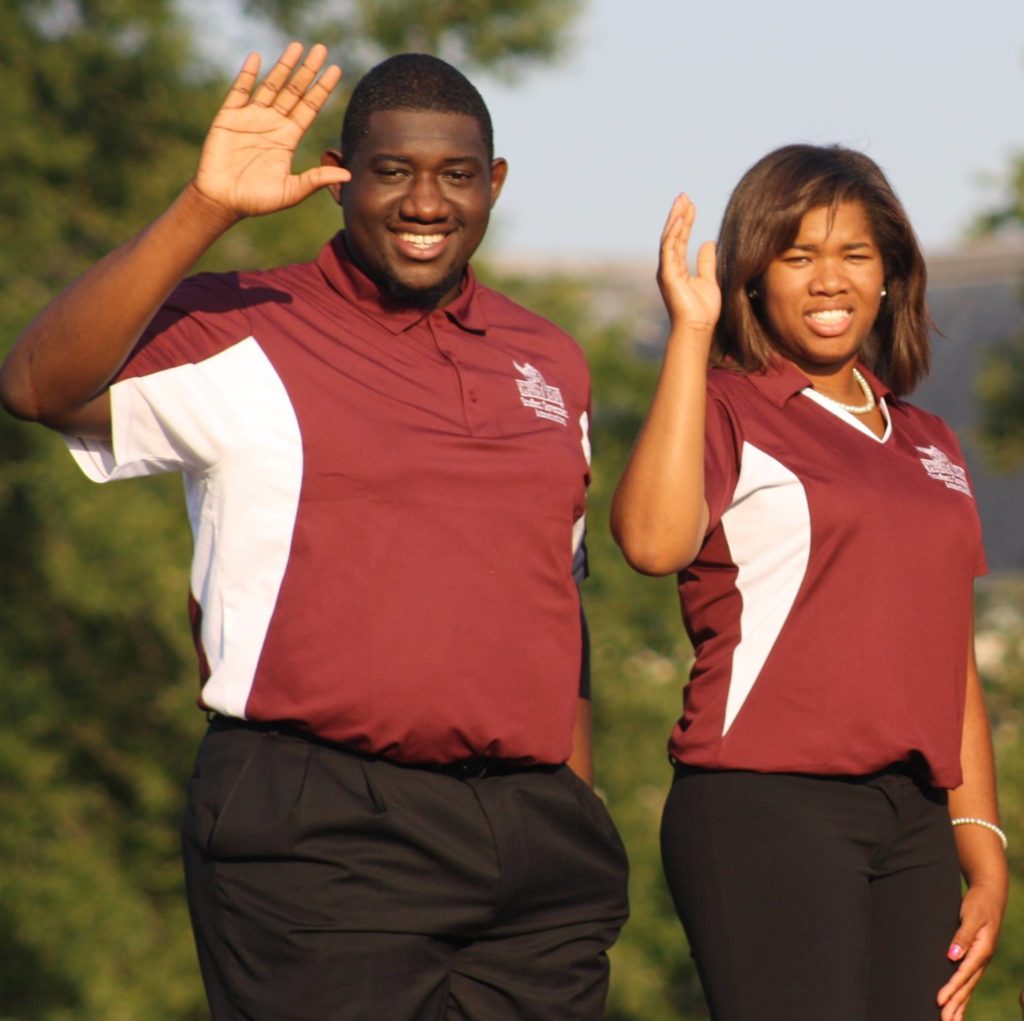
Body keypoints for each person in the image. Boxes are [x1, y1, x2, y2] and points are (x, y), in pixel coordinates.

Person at [0, 43, 628, 1020]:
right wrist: (204, 208)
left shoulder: (549, 359)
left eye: (456, 175)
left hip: (532, 842)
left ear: (493, 183)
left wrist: (576, 803)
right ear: (338, 178)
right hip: (321, 827)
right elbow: (37, 384)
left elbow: (558, 593)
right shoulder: (240, 324)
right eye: (391, 172)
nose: (426, 203)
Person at [610, 144, 1007, 1021]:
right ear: (754, 276)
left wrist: (981, 836)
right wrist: (690, 334)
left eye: (854, 254)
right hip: (764, 802)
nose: (829, 280)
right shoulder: (724, 404)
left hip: (911, 816)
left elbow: (949, 656)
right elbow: (649, 538)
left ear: (892, 275)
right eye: (797, 256)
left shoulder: (931, 440)